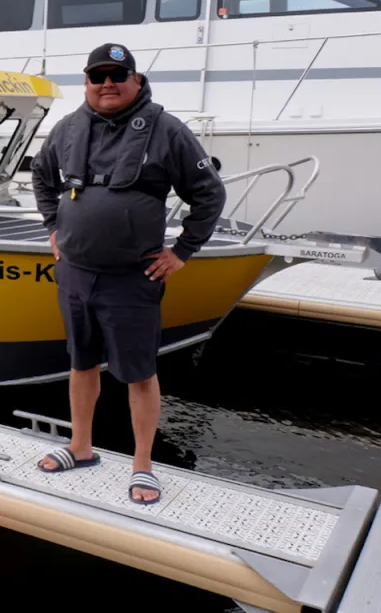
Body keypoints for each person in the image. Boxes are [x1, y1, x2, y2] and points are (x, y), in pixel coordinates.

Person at [30, 42, 226, 504]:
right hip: (75, 274)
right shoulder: (69, 127)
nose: (107, 84)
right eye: (97, 76)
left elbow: (208, 195)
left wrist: (182, 251)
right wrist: (53, 227)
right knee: (80, 363)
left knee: (139, 373)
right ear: (87, 83)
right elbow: (42, 173)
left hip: (131, 278)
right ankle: (80, 447)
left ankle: (143, 465)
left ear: (136, 81)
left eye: (118, 75)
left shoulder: (167, 130)